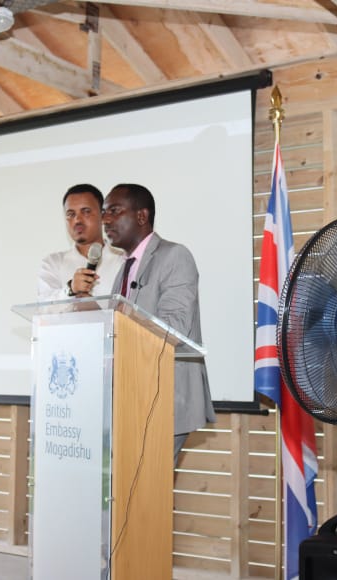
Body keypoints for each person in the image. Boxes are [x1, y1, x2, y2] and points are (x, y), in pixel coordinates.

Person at [102, 183, 216, 464]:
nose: (105, 220)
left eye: (114, 211)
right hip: (131, 397)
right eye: (104, 213)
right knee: (127, 496)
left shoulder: (174, 256)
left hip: (163, 398)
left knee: (147, 498)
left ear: (141, 216)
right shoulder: (125, 267)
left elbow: (174, 325)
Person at [37, 184, 123, 300]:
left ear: (102, 215)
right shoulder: (53, 263)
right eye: (71, 214)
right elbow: (43, 309)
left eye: (86, 212)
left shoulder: (124, 261)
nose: (77, 220)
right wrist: (70, 289)